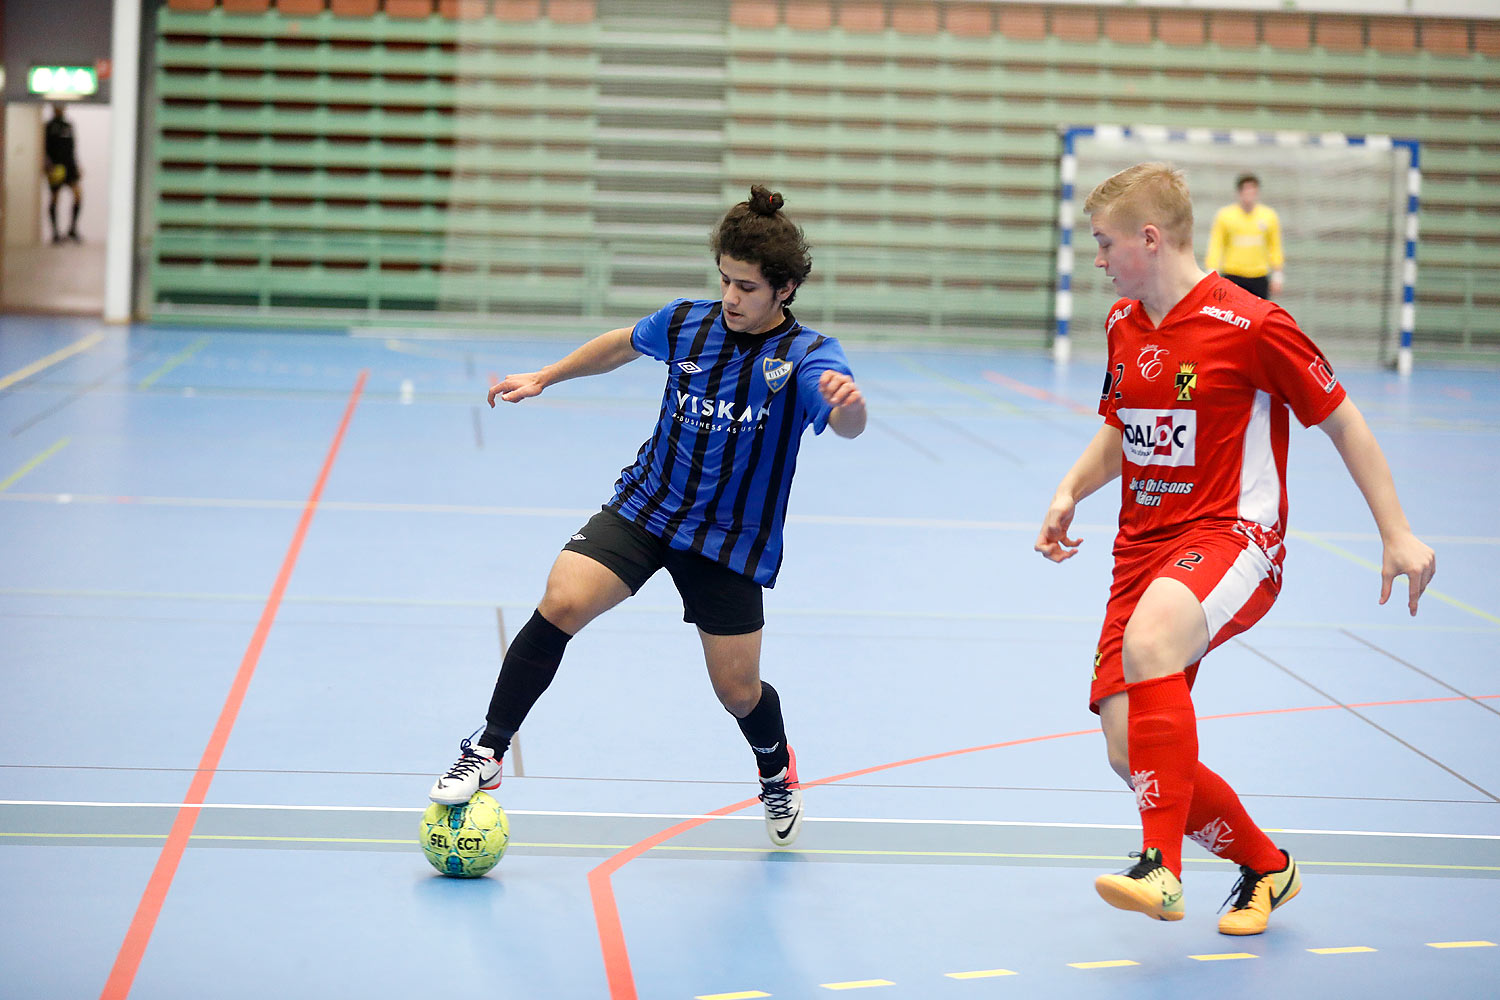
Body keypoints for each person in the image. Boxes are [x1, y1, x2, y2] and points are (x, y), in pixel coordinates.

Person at [1034, 163, 1435, 934]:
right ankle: (1266, 867)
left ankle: (1162, 872)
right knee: (1131, 756)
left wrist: (1396, 531)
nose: (1098, 260)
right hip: (1139, 552)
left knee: (1153, 641)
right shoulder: (1125, 325)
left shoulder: (1252, 325)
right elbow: (1124, 429)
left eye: (1104, 244)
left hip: (1233, 536)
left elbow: (1344, 420)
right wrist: (1068, 490)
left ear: (1149, 239)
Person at [428, 186, 866, 848]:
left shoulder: (806, 358)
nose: (731, 297)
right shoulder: (688, 323)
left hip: (728, 541)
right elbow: (621, 344)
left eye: (747, 287)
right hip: (649, 505)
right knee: (562, 600)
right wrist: (547, 376)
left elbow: (848, 424)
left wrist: (848, 404)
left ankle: (775, 767)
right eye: (724, 280)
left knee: (738, 691)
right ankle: (487, 749)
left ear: (786, 289)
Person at [1204, 173, 1282, 299]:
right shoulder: (1225, 216)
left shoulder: (1269, 216)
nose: (1249, 195)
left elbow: (1274, 245)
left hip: (1259, 275)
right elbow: (1216, 244)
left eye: (1252, 191)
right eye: (1246, 190)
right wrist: (1212, 270)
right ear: (1239, 192)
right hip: (1233, 274)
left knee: (1258, 315)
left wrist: (1278, 274)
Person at [43, 103, 83, 243]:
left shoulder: (69, 126)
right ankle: (55, 233)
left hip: (70, 166)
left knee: (78, 195)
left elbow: (73, 148)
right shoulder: (48, 127)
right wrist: (48, 165)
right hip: (55, 167)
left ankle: (72, 229)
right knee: (54, 198)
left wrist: (76, 166)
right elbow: (44, 148)